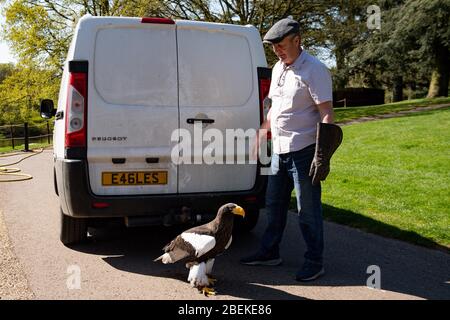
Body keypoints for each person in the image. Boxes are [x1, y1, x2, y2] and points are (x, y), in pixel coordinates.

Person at [241, 17, 343, 282]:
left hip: (305, 151)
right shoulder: (277, 69)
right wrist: (263, 132)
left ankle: (314, 261)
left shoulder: (315, 70)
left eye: (281, 45)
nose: (277, 51)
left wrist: (323, 156)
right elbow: (274, 107)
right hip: (280, 151)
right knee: (273, 205)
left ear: (297, 40)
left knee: (307, 210)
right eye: (273, 47)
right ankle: (269, 252)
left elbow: (327, 114)